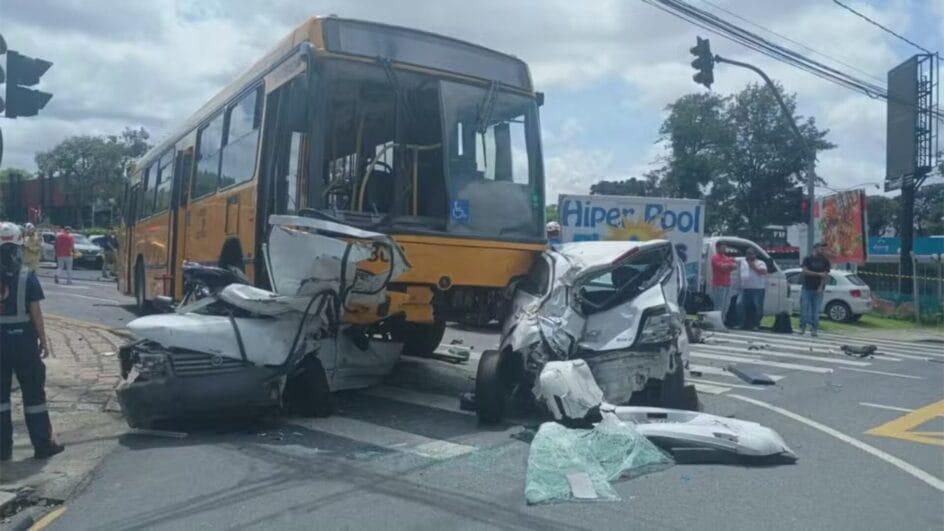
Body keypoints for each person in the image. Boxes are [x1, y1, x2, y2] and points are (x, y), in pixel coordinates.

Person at [0, 222, 65, 461]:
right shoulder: (27, 275)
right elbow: (35, 313)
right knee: (34, 395)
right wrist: (43, 340)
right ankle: (42, 445)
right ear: (18, 245)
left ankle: (2, 450)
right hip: (24, 343)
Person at [799, 242, 831, 337]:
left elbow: (825, 275)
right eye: (821, 248)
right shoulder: (807, 259)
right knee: (804, 309)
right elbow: (805, 271)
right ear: (815, 248)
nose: (823, 250)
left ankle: (814, 329)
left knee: (816, 311)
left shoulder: (825, 261)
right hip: (807, 287)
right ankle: (802, 327)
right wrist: (818, 274)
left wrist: (821, 286)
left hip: (818, 289)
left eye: (823, 249)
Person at [737, 248, 768, 330]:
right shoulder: (743, 262)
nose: (749, 256)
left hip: (758, 289)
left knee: (758, 307)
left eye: (751, 254)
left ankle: (756, 324)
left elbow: (764, 272)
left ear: (755, 255)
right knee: (739, 304)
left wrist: (753, 266)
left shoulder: (760, 262)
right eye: (747, 254)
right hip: (745, 288)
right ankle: (742, 323)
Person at [709, 243, 737, 320]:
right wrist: (729, 265)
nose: (724, 249)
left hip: (727, 284)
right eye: (722, 248)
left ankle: (722, 321)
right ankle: (716, 321)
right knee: (719, 305)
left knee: (726, 305)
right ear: (717, 248)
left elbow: (735, 266)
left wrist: (728, 265)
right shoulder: (715, 257)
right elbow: (723, 267)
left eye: (725, 247)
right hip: (718, 284)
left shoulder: (726, 258)